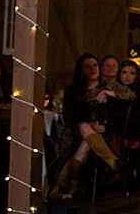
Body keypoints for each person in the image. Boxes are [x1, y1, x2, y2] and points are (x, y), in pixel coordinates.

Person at [48, 54, 121, 198]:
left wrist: (104, 126)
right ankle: (112, 161)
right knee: (84, 127)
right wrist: (90, 125)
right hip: (75, 130)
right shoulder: (73, 90)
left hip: (102, 134)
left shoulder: (106, 88)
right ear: (81, 70)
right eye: (88, 66)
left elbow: (117, 109)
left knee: (86, 143)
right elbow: (70, 115)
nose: (92, 69)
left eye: (95, 65)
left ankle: (62, 183)